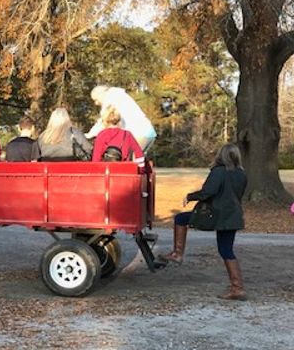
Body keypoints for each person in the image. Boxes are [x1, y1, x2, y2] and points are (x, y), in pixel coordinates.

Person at [159, 143, 248, 300]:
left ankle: (177, 253)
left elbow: (208, 192)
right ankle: (237, 288)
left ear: (222, 155)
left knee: (180, 219)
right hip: (233, 215)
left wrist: (190, 196)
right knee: (226, 250)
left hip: (216, 214)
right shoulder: (241, 174)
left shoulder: (219, 171)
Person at [86, 85, 156, 152]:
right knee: (138, 161)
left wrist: (89, 135)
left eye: (96, 99)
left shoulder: (110, 99)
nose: (96, 103)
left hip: (139, 134)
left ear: (101, 94)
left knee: (130, 161)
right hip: (148, 132)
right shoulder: (119, 95)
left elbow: (104, 121)